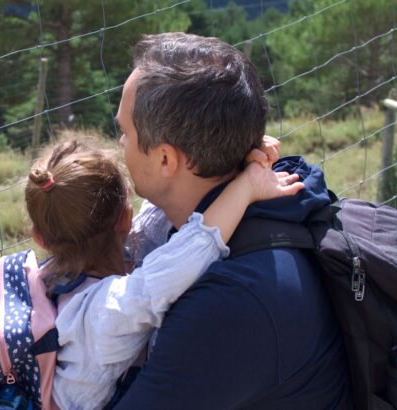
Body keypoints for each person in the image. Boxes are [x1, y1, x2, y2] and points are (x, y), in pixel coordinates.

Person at [94, 32, 351, 408]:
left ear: (166, 160)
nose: (120, 144)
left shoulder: (232, 299)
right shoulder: (262, 210)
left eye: (125, 132)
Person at [23, 138, 303, 409]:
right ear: (125, 217)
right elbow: (188, 253)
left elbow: (160, 213)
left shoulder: (54, 279)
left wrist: (233, 154)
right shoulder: (104, 313)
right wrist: (246, 186)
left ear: (40, 239)